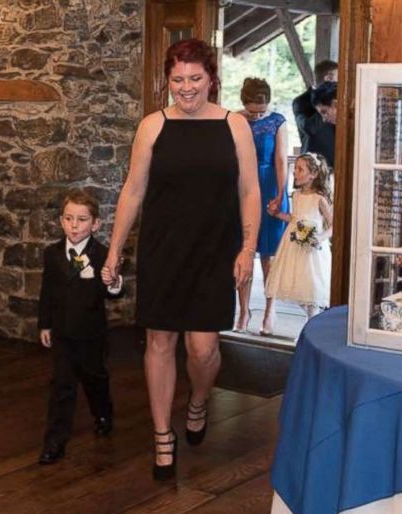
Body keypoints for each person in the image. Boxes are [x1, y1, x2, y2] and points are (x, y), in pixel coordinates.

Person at [102, 38, 260, 481]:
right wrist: (115, 249)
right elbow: (133, 190)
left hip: (214, 250)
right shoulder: (152, 126)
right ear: (166, 80)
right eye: (177, 80)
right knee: (159, 342)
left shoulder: (234, 125)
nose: (186, 88)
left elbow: (250, 191)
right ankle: (161, 436)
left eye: (195, 78)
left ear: (211, 79)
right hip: (162, 249)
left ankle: (198, 400)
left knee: (203, 349)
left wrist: (247, 250)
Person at [37, 189, 123, 465]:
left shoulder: (102, 255)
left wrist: (113, 281)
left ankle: (103, 413)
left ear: (95, 223)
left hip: (91, 334)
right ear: (61, 220)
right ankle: (55, 441)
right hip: (62, 333)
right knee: (62, 386)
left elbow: (113, 292)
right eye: (69, 219)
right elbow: (47, 291)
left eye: (82, 219)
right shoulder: (52, 253)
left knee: (94, 378)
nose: (74, 226)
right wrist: (45, 324)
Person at [237, 77, 288, 336]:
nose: (258, 115)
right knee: (243, 250)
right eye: (253, 111)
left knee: (268, 255)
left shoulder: (277, 121)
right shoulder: (234, 120)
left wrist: (281, 193)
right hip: (241, 185)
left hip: (269, 185)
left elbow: (280, 160)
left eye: (262, 110)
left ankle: (270, 310)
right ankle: (244, 309)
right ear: (243, 103)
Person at [265, 153, 333, 320]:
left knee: (312, 288)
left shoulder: (319, 199)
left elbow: (334, 225)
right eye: (295, 168)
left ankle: (312, 323)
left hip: (312, 250)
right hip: (294, 246)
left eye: (300, 169)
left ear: (313, 174)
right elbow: (295, 219)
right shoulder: (296, 195)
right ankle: (313, 321)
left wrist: (321, 237)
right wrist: (278, 214)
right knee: (297, 287)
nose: (294, 172)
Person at [292, 60, 337, 166]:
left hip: (340, 164)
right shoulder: (301, 101)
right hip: (313, 166)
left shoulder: (342, 99)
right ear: (329, 79)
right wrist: (325, 106)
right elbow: (309, 128)